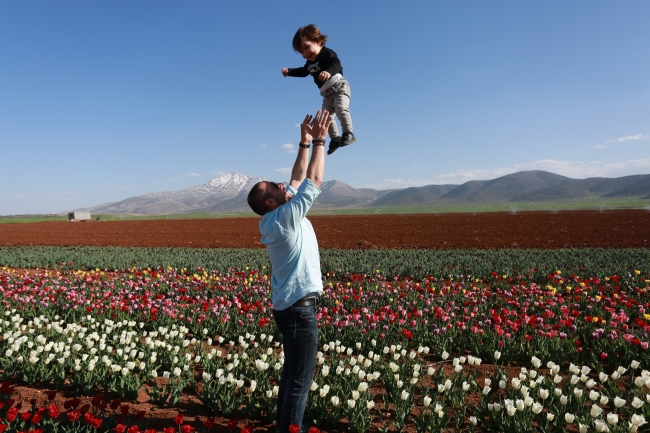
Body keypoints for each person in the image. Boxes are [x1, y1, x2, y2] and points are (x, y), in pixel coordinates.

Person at [247, 110, 332, 433]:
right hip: (299, 310)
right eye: (276, 187)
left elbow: (297, 179)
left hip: (289, 308)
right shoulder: (285, 218)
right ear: (271, 202)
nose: (284, 184)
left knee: (290, 374)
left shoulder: (278, 212)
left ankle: (286, 425)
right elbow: (314, 181)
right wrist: (322, 140)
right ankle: (290, 429)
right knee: (300, 379)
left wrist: (304, 142)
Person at [282, 24, 355, 155]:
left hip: (339, 87)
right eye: (301, 52)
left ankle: (348, 133)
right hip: (326, 94)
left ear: (318, 41)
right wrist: (290, 72)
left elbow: (336, 63)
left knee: (340, 108)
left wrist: (328, 72)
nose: (305, 53)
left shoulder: (327, 53)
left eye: (306, 47)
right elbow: (304, 72)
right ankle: (335, 139)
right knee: (326, 118)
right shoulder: (310, 64)